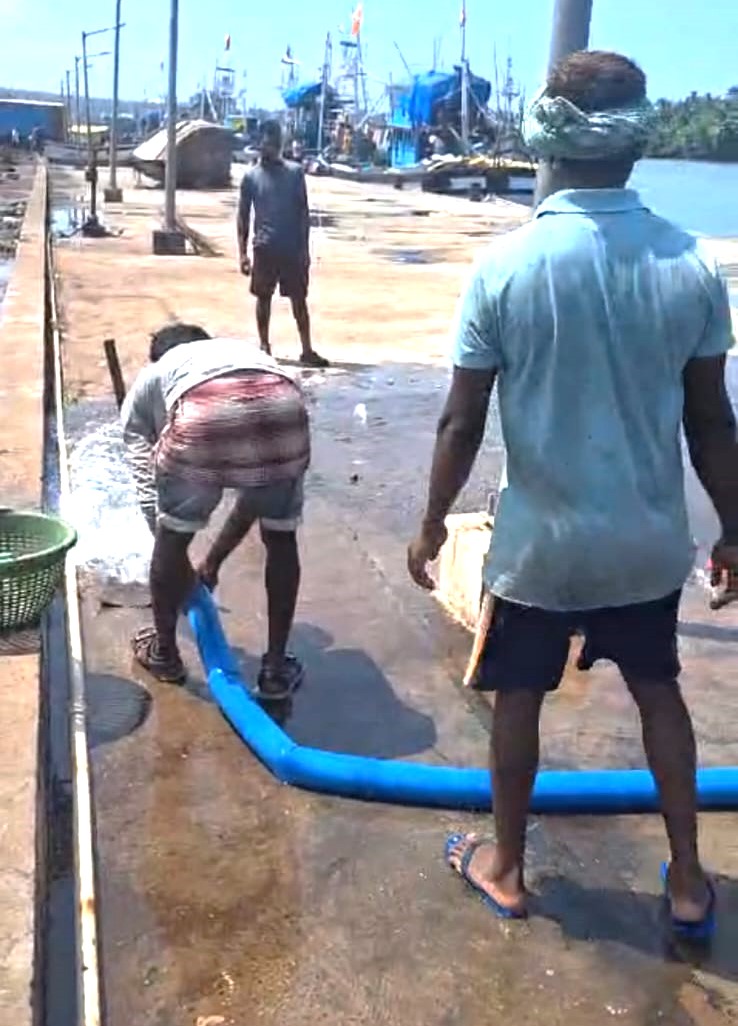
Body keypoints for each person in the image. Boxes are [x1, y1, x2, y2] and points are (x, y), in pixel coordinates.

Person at [408, 51, 738, 936]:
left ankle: (508, 866)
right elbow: (713, 423)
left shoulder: (505, 267)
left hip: (543, 546)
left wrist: (433, 523)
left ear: (547, 139)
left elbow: (460, 422)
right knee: (659, 691)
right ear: (637, 141)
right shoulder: (693, 266)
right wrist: (733, 531)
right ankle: (690, 882)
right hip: (646, 543)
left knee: (519, 699)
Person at [122, 322, 310, 698]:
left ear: (159, 356)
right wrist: (210, 565)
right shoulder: (241, 354)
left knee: (172, 536)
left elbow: (147, 485)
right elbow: (255, 497)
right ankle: (274, 671)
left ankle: (166, 655)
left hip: (202, 411)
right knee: (281, 535)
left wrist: (168, 545)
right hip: (283, 403)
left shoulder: (155, 375)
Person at [238, 120, 328, 368]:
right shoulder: (250, 177)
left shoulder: (295, 173)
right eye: (264, 141)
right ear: (259, 143)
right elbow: (243, 216)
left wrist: (305, 250)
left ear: (279, 144)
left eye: (273, 141)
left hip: (292, 249)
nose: (268, 146)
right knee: (263, 298)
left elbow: (303, 213)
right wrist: (242, 254)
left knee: (299, 300)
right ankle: (265, 346)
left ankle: (307, 349)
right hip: (264, 248)